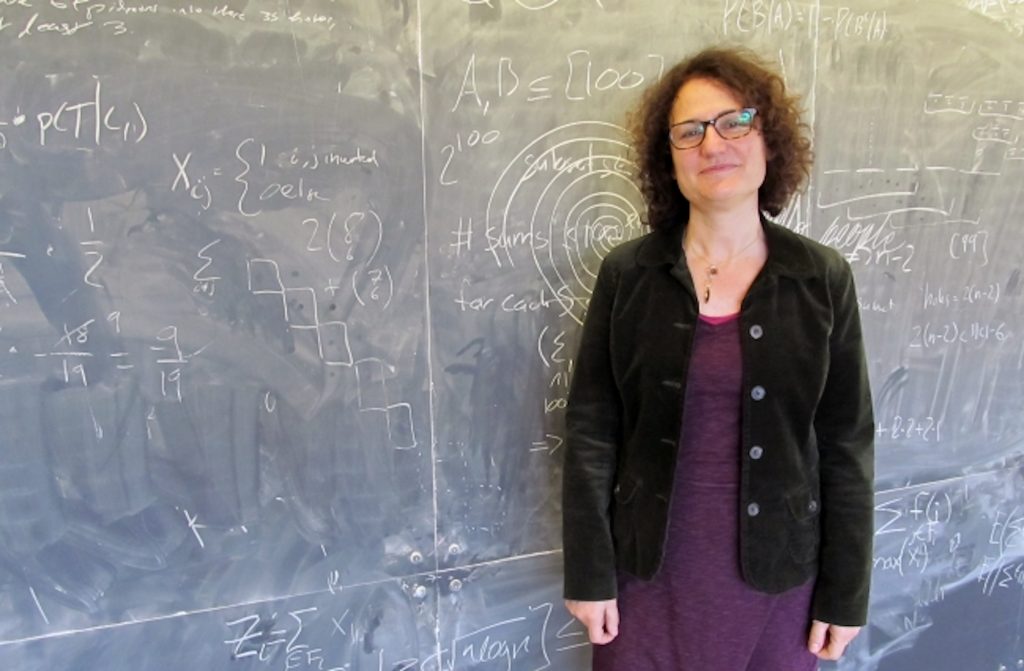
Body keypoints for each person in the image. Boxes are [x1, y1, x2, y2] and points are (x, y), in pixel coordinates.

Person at [561, 46, 875, 670]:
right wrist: (589, 572)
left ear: (769, 143)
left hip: (781, 583)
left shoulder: (820, 278)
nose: (713, 144)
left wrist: (846, 593)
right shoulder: (629, 274)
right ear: (668, 160)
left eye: (736, 122)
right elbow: (592, 429)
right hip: (644, 582)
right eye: (690, 131)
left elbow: (845, 442)